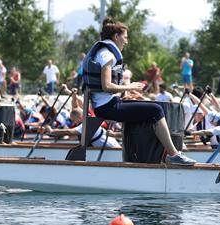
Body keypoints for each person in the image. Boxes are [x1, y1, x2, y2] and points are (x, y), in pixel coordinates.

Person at [82, 17, 195, 164]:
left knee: (147, 104)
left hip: (108, 104)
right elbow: (106, 86)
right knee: (156, 110)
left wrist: (126, 94)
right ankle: (173, 155)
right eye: (125, 37)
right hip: (106, 108)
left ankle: (158, 155)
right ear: (116, 37)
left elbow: (105, 91)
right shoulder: (107, 55)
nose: (126, 41)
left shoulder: (104, 52)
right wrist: (130, 86)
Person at [41, 89, 122, 149]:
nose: (74, 123)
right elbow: (75, 106)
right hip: (107, 148)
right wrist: (73, 94)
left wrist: (51, 131)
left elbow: (68, 131)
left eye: (74, 120)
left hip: (113, 149)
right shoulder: (87, 117)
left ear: (80, 118)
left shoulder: (85, 125)